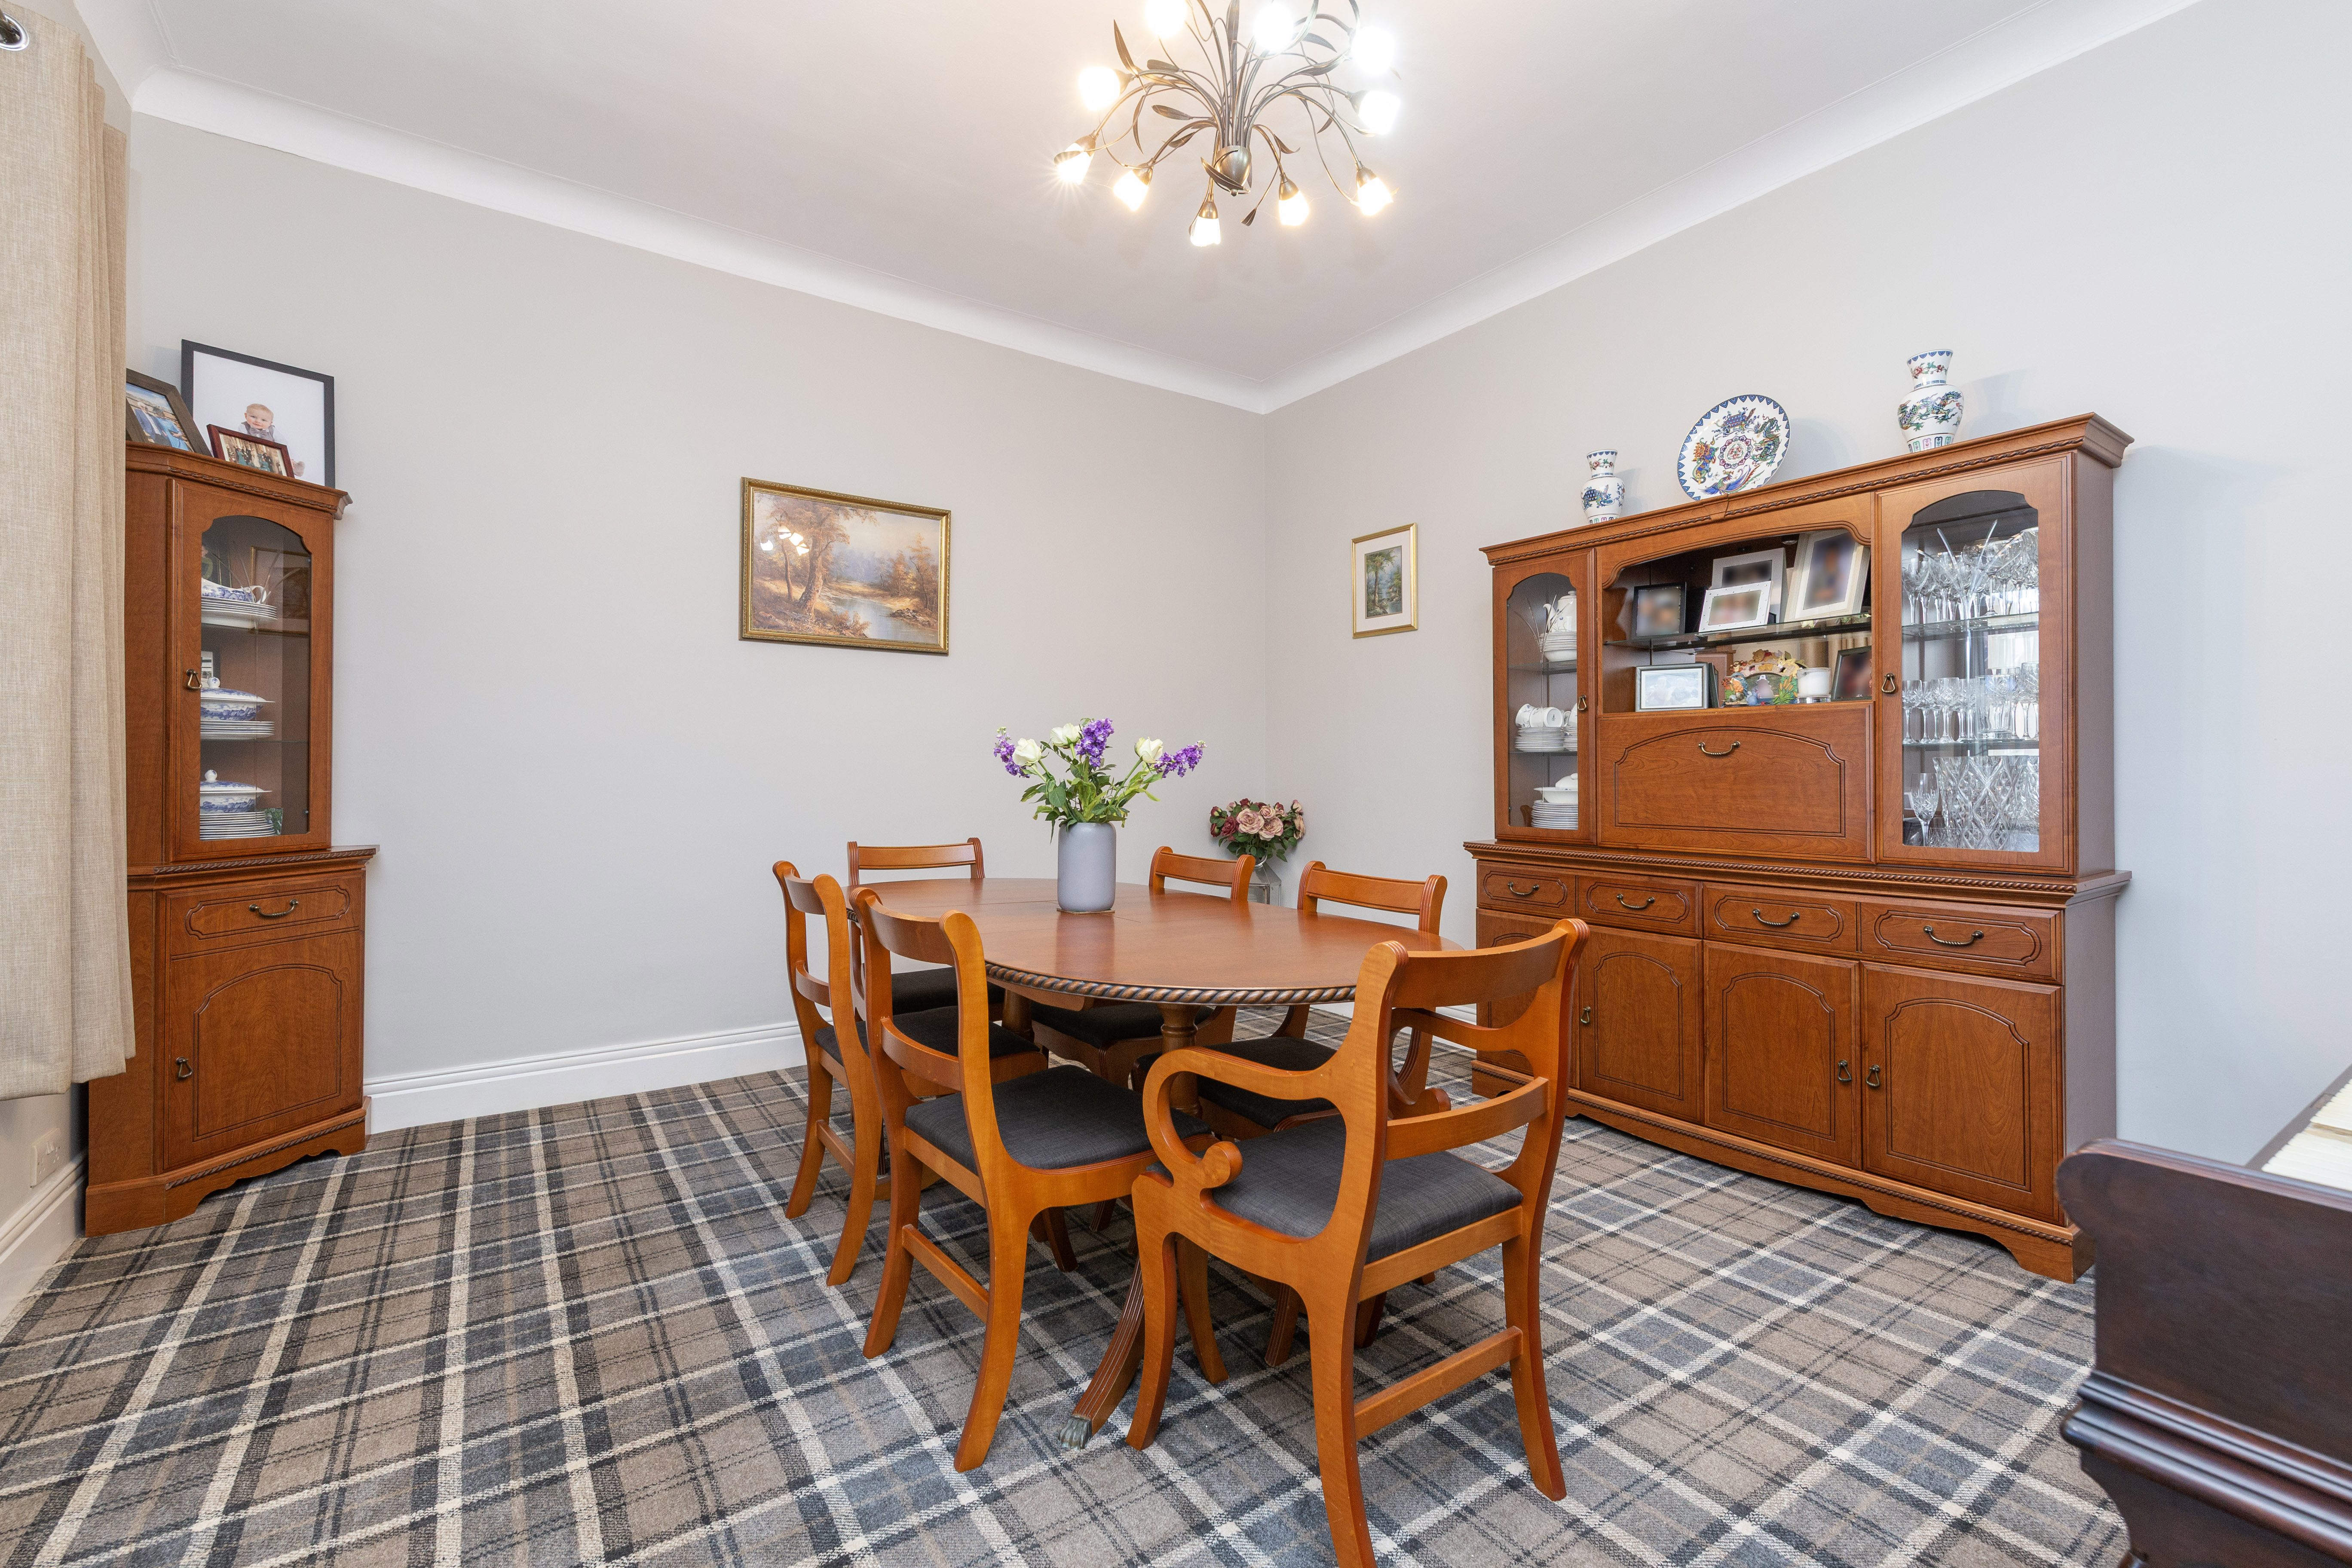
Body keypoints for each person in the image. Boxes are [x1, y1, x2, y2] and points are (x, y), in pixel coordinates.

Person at [240, 402, 304, 478]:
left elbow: (283, 442)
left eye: (264, 420)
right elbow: (242, 438)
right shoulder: (244, 427)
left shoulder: (272, 430)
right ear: (246, 416)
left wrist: (288, 457)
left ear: (270, 423)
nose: (258, 421)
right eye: (253, 417)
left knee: (284, 461)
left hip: (270, 451)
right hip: (254, 450)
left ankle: (295, 468)